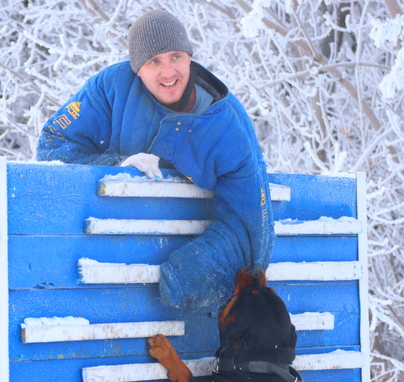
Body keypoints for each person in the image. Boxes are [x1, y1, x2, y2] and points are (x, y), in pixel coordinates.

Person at [36, 9, 275, 311]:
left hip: (177, 260)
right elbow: (53, 144)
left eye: (176, 56)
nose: (168, 72)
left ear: (190, 57)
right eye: (154, 62)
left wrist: (186, 278)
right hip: (101, 249)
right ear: (138, 69)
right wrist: (117, 167)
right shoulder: (112, 88)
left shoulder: (227, 126)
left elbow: (250, 228)